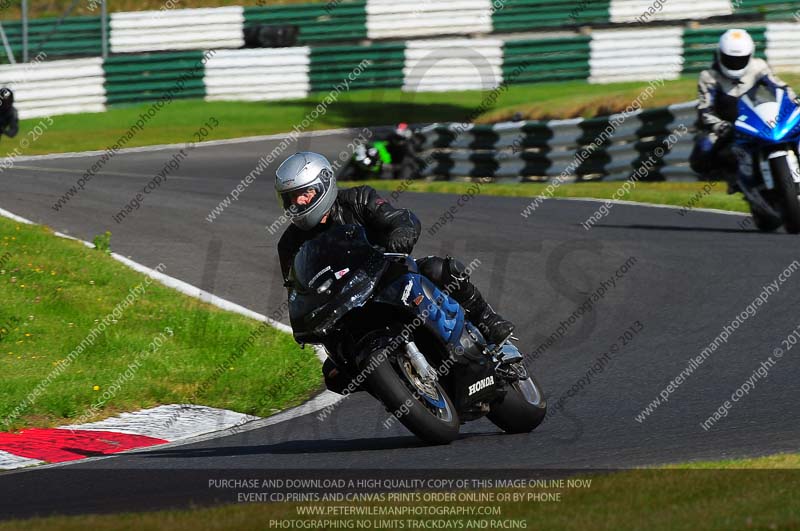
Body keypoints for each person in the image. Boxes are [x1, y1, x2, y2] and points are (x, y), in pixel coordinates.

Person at [275, 152, 514, 388]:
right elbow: (296, 288)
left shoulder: (358, 199)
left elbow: (399, 218)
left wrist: (401, 233)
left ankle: (488, 321)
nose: (299, 202)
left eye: (304, 193)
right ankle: (398, 384)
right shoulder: (288, 244)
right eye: (291, 197)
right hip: (345, 305)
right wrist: (303, 320)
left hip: (387, 276)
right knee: (335, 374)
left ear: (324, 183)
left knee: (439, 269)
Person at [690, 29, 796, 193]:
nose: (734, 63)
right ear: (720, 55)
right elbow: (705, 109)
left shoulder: (759, 67)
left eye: (739, 60)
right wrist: (720, 126)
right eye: (730, 59)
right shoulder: (709, 77)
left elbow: (781, 88)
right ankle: (733, 178)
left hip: (762, 119)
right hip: (729, 127)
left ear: (750, 55)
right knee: (702, 151)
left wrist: (794, 102)